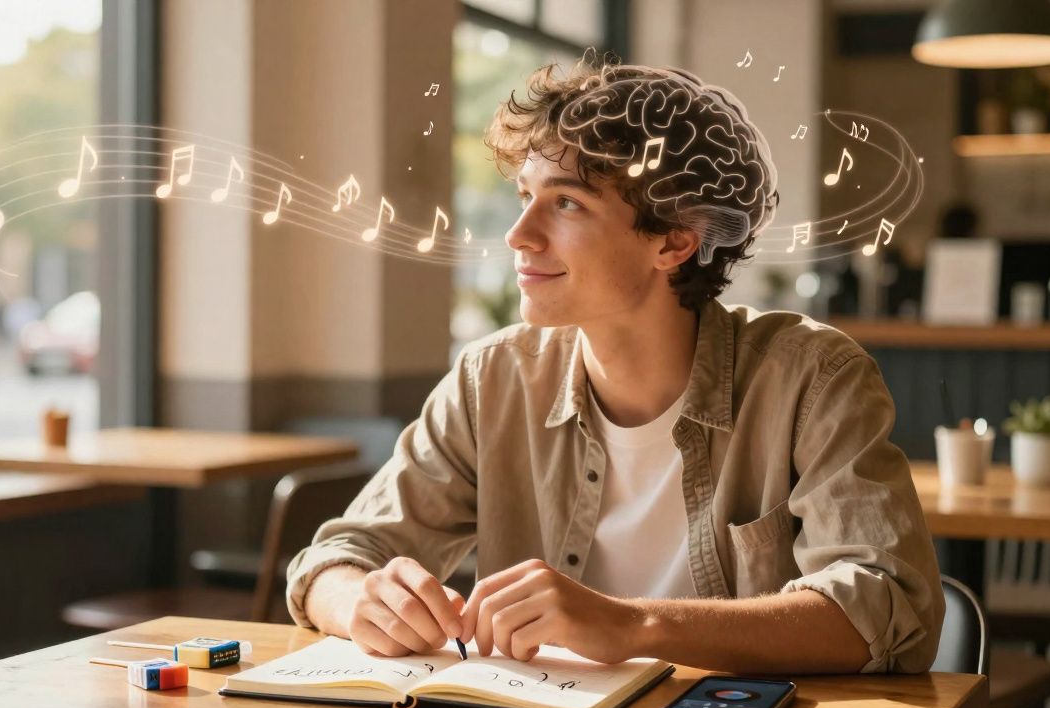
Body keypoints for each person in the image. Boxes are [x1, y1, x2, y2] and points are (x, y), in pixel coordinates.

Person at [285, 58, 942, 675]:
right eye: (524, 196)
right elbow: (332, 562)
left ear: (676, 240)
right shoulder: (493, 379)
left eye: (566, 203)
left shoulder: (812, 376)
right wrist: (362, 601)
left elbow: (886, 605)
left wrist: (630, 627)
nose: (519, 234)